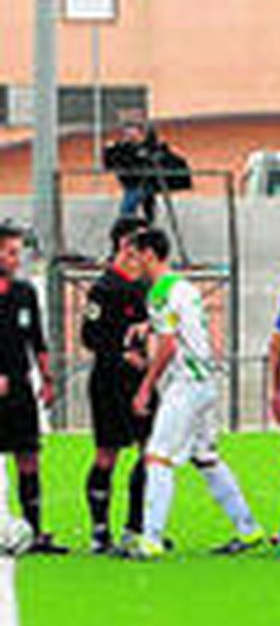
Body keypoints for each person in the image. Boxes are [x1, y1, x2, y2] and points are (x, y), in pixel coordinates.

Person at [127, 228, 262, 559]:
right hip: (205, 380)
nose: (133, 263)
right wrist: (148, 327)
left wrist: (146, 387)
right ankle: (248, 528)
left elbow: (168, 346)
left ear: (149, 254)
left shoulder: (159, 292)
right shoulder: (184, 287)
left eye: (135, 255)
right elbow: (181, 326)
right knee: (205, 457)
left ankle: (151, 539)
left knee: (157, 456)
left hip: (186, 383)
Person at [81, 216, 154, 554]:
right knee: (107, 454)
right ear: (125, 245)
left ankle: (134, 528)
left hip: (141, 381)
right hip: (109, 381)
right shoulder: (104, 288)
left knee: (150, 451)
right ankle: (99, 531)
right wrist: (122, 354)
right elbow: (89, 336)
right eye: (141, 241)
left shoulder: (146, 286)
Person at [0, 223, 62, 554]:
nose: (16, 259)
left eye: (17, 252)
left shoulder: (24, 293)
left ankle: (35, 531)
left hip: (20, 388)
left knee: (28, 456)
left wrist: (47, 379)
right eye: (10, 252)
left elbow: (37, 340)